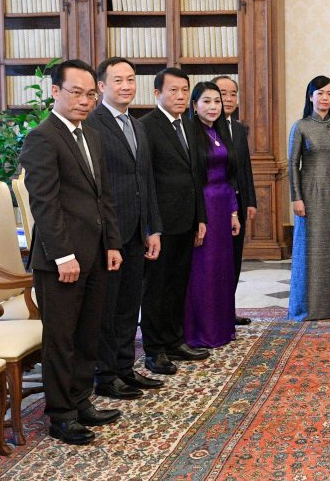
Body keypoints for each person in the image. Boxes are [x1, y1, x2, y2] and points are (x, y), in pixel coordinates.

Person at [20, 59, 123, 445]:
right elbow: (44, 203)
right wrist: (64, 255)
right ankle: (60, 415)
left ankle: (81, 402)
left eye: (90, 94)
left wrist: (112, 243)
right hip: (61, 260)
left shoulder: (90, 134)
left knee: (87, 333)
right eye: (76, 93)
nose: (84, 101)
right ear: (55, 92)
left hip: (95, 252)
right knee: (61, 339)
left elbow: (103, 196)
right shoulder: (43, 138)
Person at [85, 57, 164, 400]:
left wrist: (154, 228)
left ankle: (124, 368)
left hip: (137, 229)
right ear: (101, 86)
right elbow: (96, 185)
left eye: (131, 80)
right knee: (109, 306)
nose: (127, 86)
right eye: (118, 80)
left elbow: (145, 180)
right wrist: (107, 235)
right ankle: (105, 375)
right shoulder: (92, 124)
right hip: (109, 232)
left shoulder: (138, 124)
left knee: (131, 302)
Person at [139, 68, 209, 374]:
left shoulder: (191, 127)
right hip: (161, 223)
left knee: (178, 284)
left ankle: (174, 340)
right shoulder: (146, 127)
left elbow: (197, 177)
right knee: (156, 288)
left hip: (187, 220)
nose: (180, 96)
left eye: (184, 90)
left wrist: (200, 218)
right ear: (157, 94)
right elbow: (146, 181)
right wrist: (150, 226)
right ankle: (154, 350)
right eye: (173, 91)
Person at [288, 75, 330, 321]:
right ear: (310, 96)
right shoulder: (301, 126)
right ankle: (308, 307)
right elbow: (293, 164)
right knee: (309, 248)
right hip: (309, 193)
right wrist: (297, 197)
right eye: (320, 93)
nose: (325, 98)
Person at [183, 82, 241, 348]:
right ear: (194, 105)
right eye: (206, 101)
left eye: (217, 101)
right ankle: (201, 332)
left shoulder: (220, 132)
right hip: (203, 205)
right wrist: (198, 217)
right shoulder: (191, 134)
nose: (213, 107)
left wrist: (233, 212)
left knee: (222, 270)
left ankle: (222, 328)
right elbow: (193, 179)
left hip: (222, 206)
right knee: (203, 271)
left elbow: (229, 177)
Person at [213, 75, 258, 326]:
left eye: (232, 94)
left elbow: (245, 168)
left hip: (238, 204)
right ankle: (214, 312)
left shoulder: (239, 128)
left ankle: (228, 309)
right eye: (222, 93)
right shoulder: (205, 127)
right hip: (216, 204)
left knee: (234, 258)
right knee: (215, 260)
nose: (228, 99)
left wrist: (250, 200)